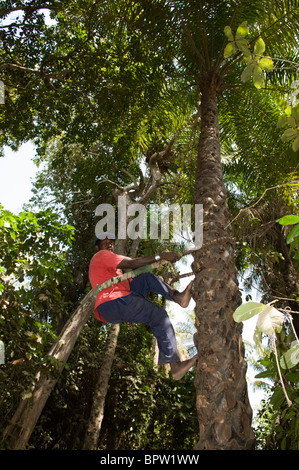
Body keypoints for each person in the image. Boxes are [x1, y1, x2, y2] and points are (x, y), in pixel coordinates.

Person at [88, 233, 197, 380]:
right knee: (159, 317)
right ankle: (175, 365)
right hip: (112, 301)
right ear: (97, 247)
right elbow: (132, 263)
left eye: (110, 241)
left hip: (113, 303)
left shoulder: (111, 271)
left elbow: (140, 282)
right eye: (104, 242)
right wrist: (161, 256)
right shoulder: (102, 255)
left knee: (146, 277)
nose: (109, 244)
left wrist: (164, 280)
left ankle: (177, 297)